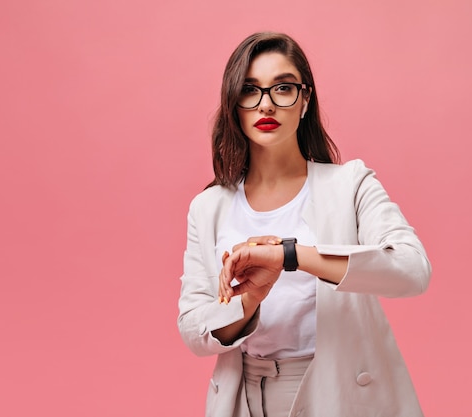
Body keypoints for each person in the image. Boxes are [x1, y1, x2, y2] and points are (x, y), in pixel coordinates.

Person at [177, 32, 432, 417]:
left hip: (336, 390)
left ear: (305, 98)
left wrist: (291, 255)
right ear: (234, 103)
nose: (266, 105)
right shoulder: (208, 206)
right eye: (250, 90)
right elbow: (195, 330)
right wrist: (251, 298)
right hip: (244, 397)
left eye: (283, 88)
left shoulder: (350, 184)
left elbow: (412, 271)